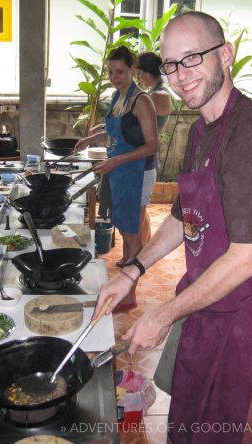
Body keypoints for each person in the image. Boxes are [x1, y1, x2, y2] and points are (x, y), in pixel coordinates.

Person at [93, 11, 252, 444]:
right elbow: (185, 214)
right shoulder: (202, 130)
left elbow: (246, 258)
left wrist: (163, 314)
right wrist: (133, 270)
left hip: (251, 328)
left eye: (193, 57)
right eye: (172, 64)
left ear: (227, 55)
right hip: (208, 311)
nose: (181, 75)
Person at [75, 46, 158, 311]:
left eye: (120, 71)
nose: (115, 77)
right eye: (111, 72)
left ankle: (130, 295)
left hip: (137, 172)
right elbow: (111, 131)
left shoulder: (142, 101)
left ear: (133, 69)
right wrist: (89, 139)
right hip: (120, 171)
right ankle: (125, 283)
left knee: (133, 234)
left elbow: (152, 145)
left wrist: (116, 161)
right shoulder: (118, 96)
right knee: (124, 227)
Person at [137, 51, 173, 244]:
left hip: (145, 158)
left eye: (139, 73)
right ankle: (143, 247)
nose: (138, 78)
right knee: (140, 208)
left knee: (139, 210)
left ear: (147, 73)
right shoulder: (153, 93)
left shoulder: (158, 95)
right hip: (142, 156)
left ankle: (138, 252)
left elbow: (138, 125)